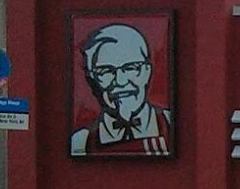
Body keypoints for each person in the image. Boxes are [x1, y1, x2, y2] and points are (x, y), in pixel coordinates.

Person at [70, 22, 173, 156]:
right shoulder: (81, 142)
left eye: (131, 68)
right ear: (92, 78)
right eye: (106, 71)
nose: (120, 81)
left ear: (147, 71)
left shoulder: (171, 123)